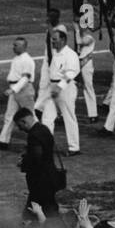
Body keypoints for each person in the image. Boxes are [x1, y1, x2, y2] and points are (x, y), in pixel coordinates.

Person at [40, 25, 82, 155]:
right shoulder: (56, 54)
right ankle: (46, 146)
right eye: (52, 39)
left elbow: (72, 72)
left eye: (55, 39)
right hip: (53, 88)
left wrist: (60, 86)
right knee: (47, 118)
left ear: (63, 40)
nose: (53, 41)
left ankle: (74, 147)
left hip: (65, 88)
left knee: (69, 116)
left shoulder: (70, 54)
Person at [15, 107, 60, 219]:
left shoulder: (34, 135)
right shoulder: (44, 129)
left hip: (40, 180)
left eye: (19, 125)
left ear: (24, 121)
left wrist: (24, 162)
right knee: (49, 207)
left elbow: (37, 157)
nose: (20, 129)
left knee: (34, 209)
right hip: (50, 176)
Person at [0, 37, 38, 149]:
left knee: (31, 116)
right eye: (14, 45)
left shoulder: (27, 60)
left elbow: (25, 78)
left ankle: (38, 139)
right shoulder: (16, 58)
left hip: (23, 90)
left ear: (24, 47)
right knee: (9, 116)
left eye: (16, 45)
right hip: (15, 89)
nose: (13, 47)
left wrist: (13, 89)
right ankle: (3, 141)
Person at [75, 14, 98, 123]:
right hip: (81, 64)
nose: (80, 27)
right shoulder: (83, 36)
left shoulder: (89, 38)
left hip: (86, 64)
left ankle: (93, 114)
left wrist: (75, 31)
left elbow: (80, 42)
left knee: (88, 88)